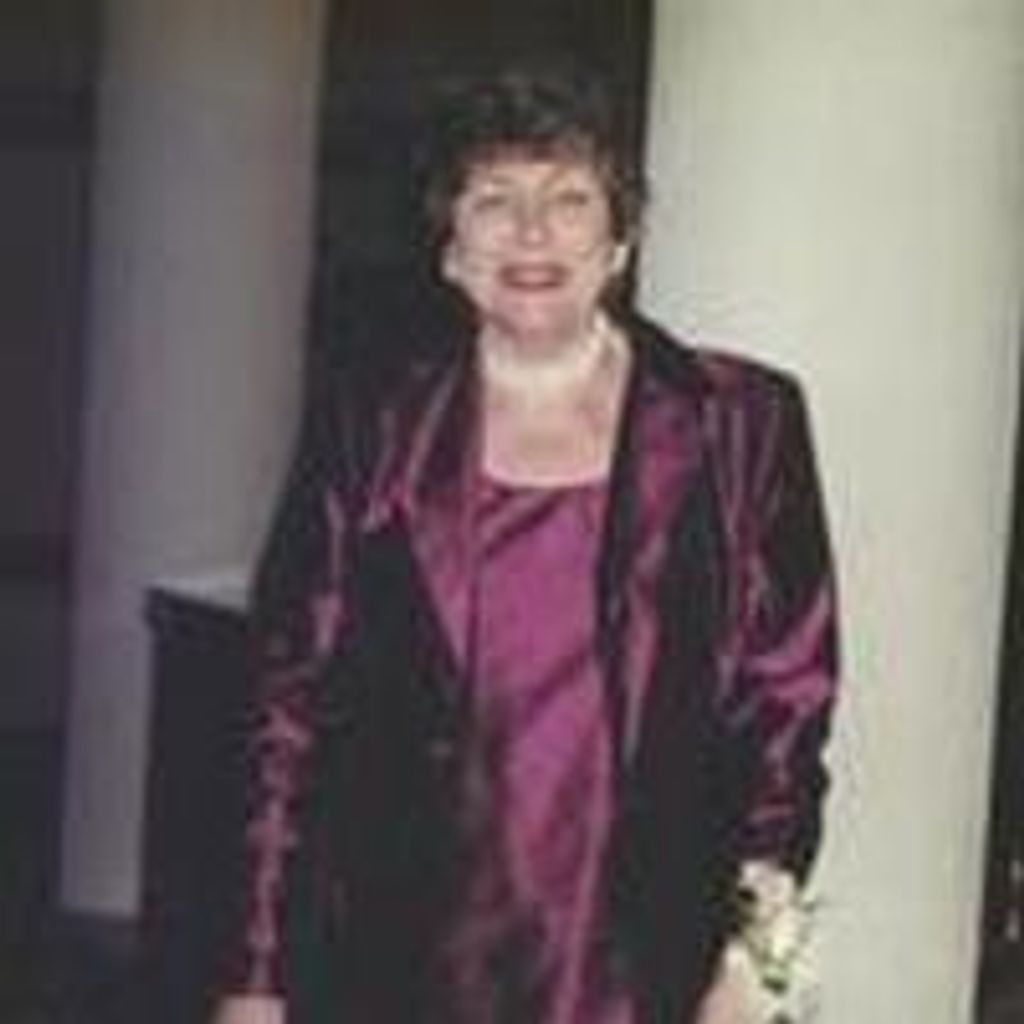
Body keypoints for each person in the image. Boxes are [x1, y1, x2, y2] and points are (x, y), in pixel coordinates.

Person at [213, 60, 839, 1024]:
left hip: (655, 967)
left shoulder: (743, 423)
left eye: (570, 198)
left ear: (620, 240)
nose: (533, 232)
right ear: (449, 248)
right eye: (494, 200)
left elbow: (787, 707)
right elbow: (287, 704)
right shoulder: (369, 421)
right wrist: (256, 974)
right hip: (407, 959)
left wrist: (754, 961)